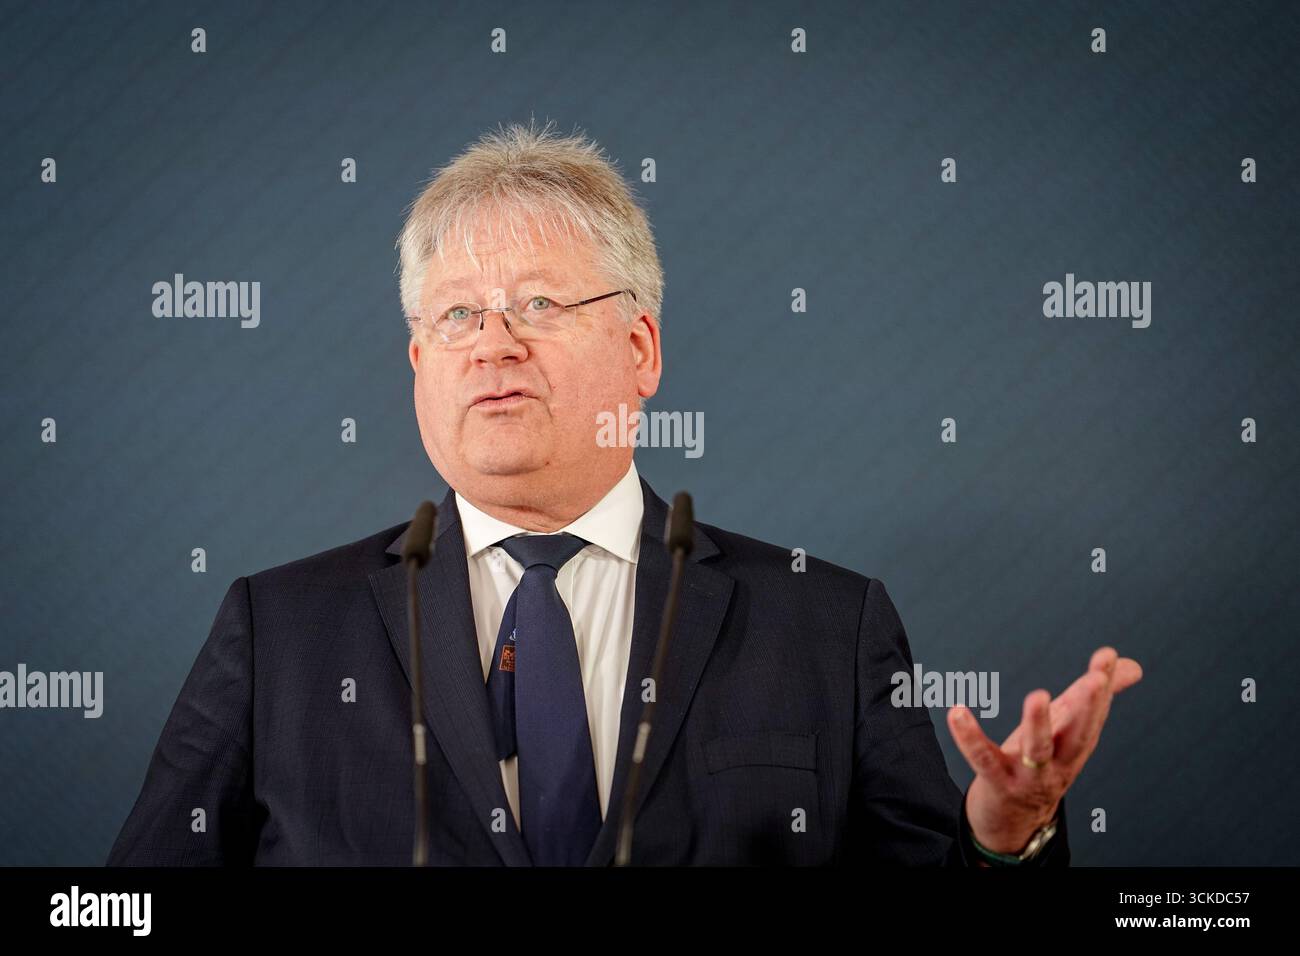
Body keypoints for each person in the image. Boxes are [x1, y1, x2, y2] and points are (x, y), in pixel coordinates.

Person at [108, 119, 1142, 866]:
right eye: (457, 317)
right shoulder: (279, 627)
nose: (493, 344)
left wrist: (1007, 841)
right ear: (418, 359)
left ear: (640, 347)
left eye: (538, 303)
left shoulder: (826, 622)